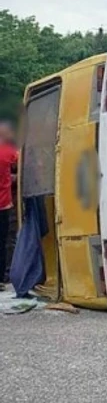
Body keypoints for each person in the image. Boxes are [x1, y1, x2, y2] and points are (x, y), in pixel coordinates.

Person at [0, 121, 18, 287]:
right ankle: (3, 276)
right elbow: (26, 163)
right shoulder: (7, 152)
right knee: (5, 241)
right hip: (4, 205)